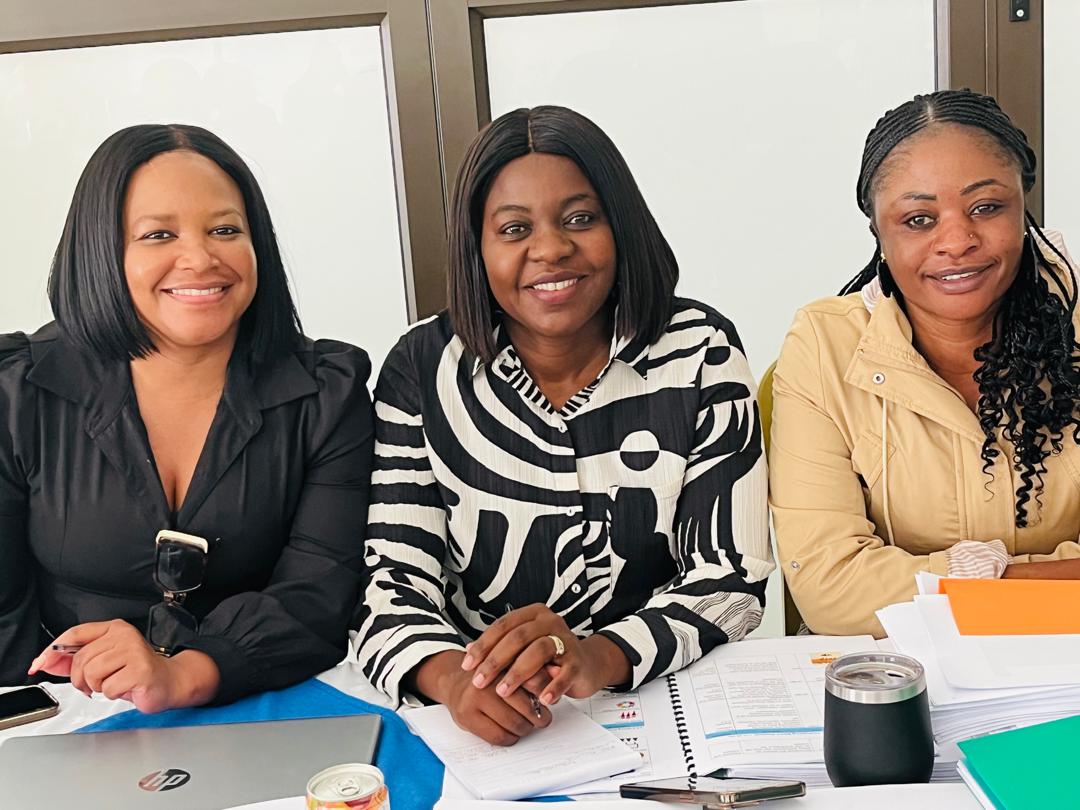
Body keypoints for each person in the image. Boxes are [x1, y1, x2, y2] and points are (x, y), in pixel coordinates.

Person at [355, 105, 773, 745]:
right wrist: (454, 681)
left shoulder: (701, 351)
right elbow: (390, 584)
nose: (550, 249)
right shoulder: (422, 367)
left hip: (665, 702)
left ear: (620, 227)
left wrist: (595, 657)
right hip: (486, 718)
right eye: (513, 228)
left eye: (580, 219)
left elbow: (732, 581)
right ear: (477, 247)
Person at [0, 124, 374, 711]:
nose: (200, 258)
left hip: (266, 701)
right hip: (58, 715)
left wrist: (184, 674)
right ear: (102, 252)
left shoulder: (328, 391)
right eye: (158, 234)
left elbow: (317, 594)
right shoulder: (16, 394)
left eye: (226, 229)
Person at [769, 89, 1080, 637]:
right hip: (895, 676)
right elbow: (832, 592)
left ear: (1022, 205)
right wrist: (1049, 582)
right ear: (878, 233)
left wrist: (963, 587)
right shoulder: (824, 346)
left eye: (986, 207)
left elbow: (866, 596)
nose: (957, 241)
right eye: (918, 219)